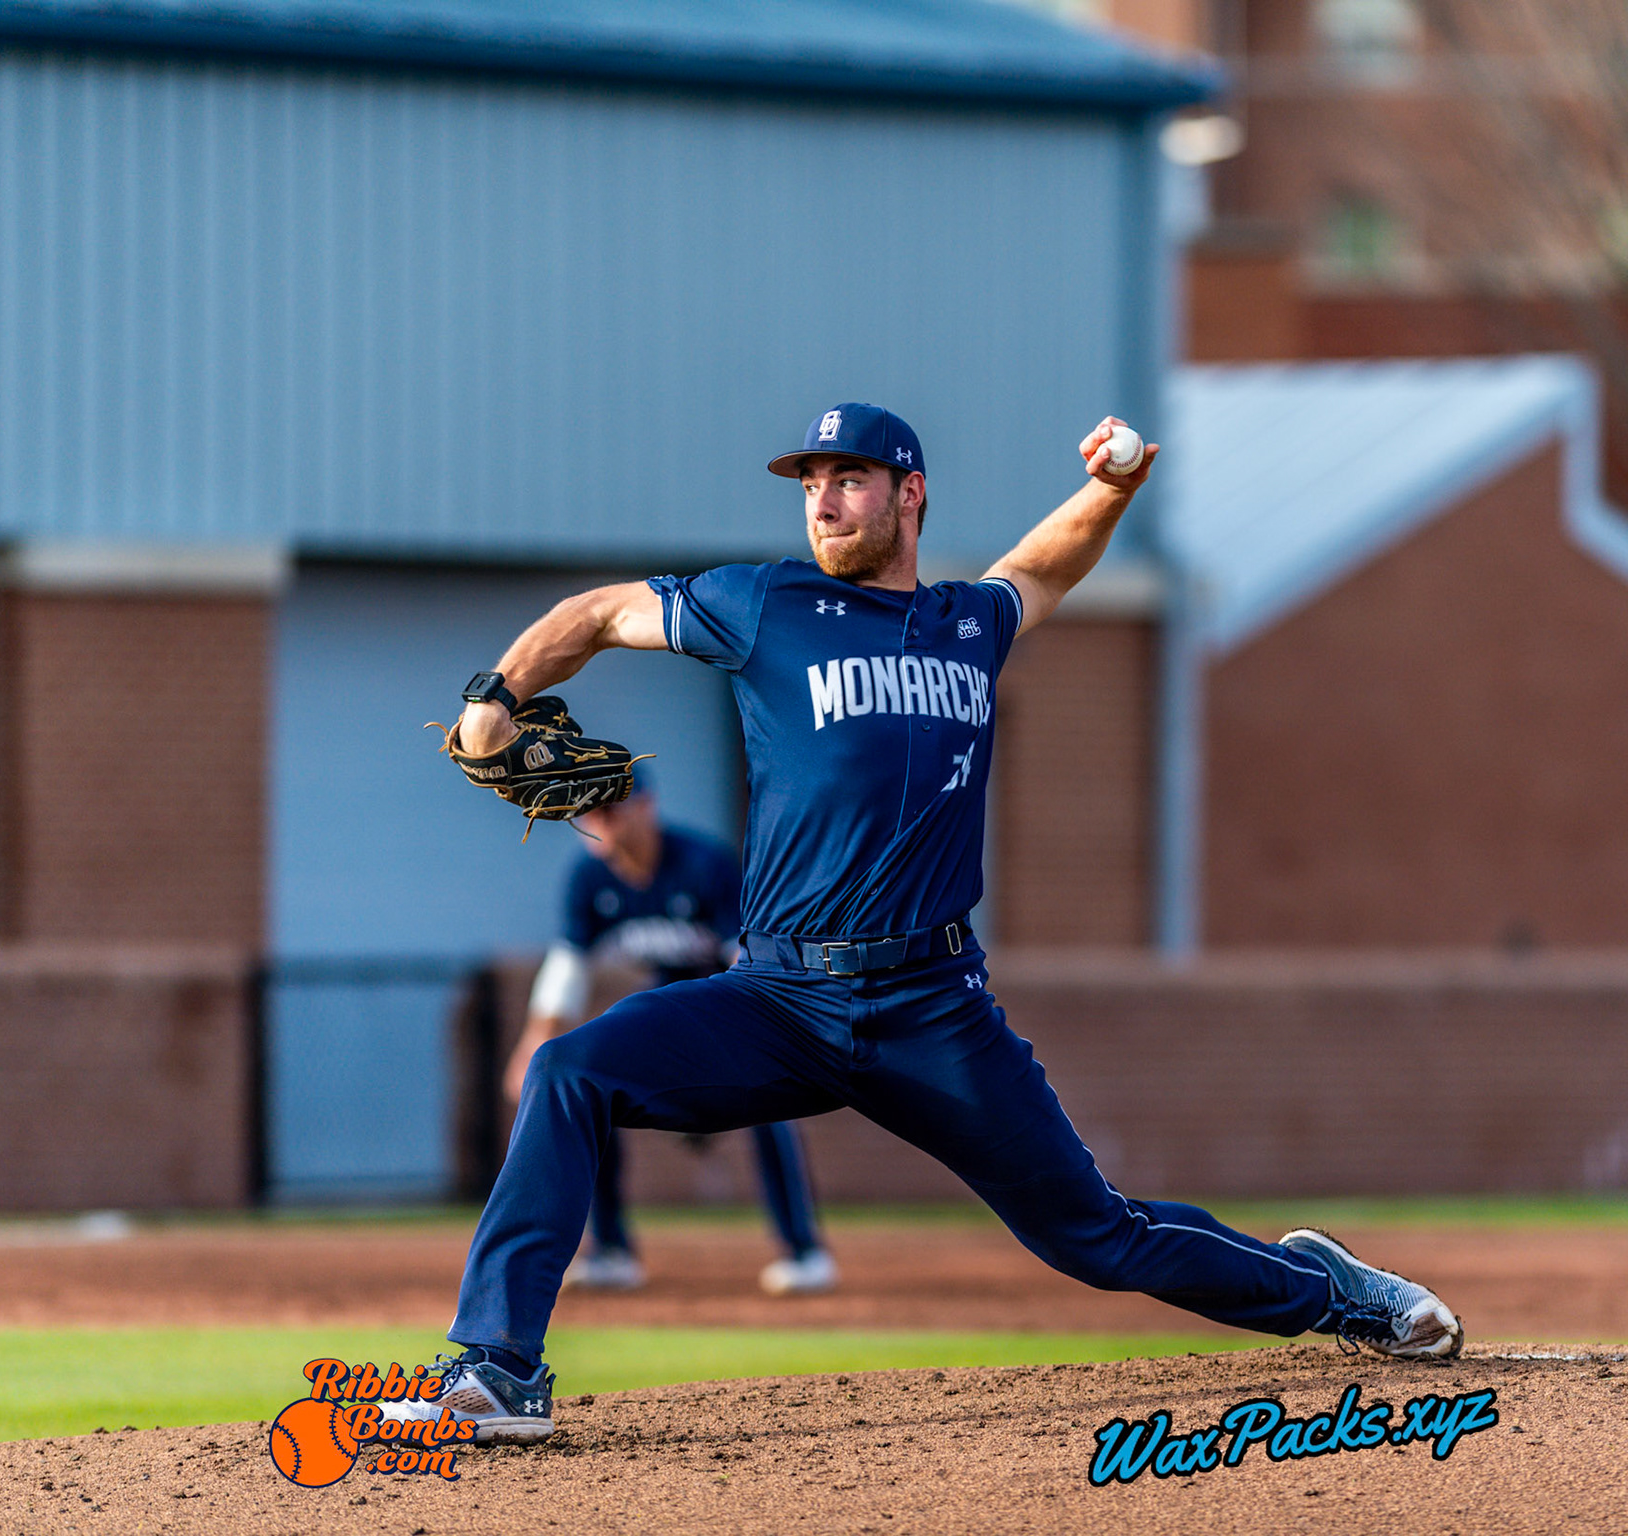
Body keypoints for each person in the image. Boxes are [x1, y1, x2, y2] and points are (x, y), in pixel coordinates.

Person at [388, 403, 1462, 1443]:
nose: (824, 500)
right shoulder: (762, 606)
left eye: (848, 478)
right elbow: (600, 614)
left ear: (910, 495)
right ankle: (497, 1368)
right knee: (572, 1072)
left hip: (932, 1008)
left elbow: (1042, 567)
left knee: (1097, 1238)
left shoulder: (966, 624)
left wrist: (1111, 487)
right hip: (778, 997)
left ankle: (1330, 1290)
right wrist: (498, 691)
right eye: (811, 483)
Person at [508, 771, 836, 1296]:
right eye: (588, 813)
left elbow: (743, 958)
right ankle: (611, 1250)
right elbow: (567, 968)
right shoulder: (589, 877)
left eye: (610, 809)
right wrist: (532, 1043)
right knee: (590, 1086)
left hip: (732, 1000)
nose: (598, 822)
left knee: (775, 1112)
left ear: (647, 807)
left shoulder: (703, 864)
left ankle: (805, 1251)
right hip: (666, 1005)